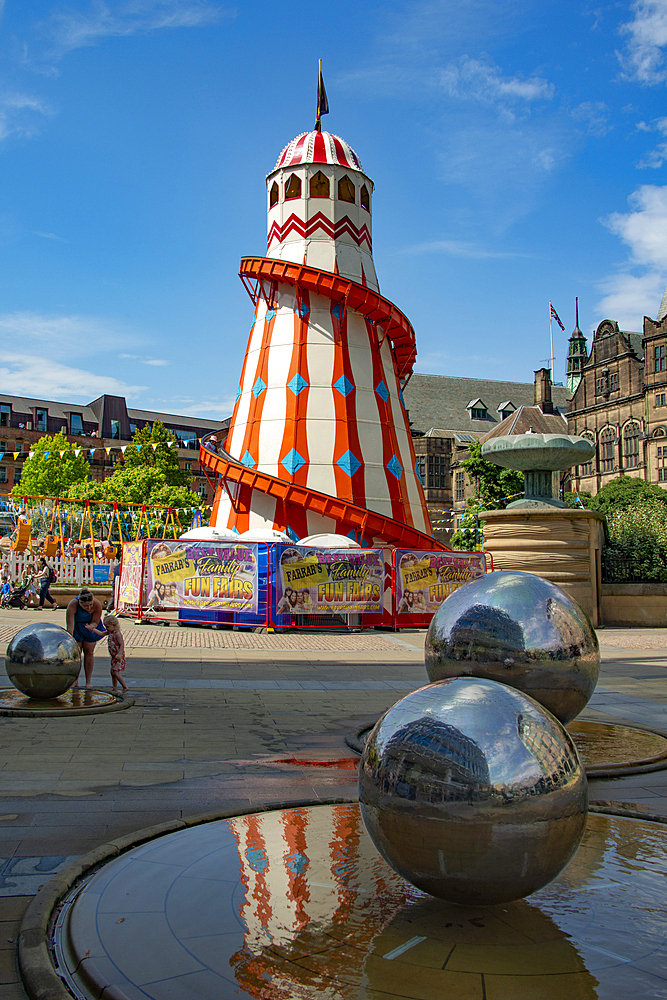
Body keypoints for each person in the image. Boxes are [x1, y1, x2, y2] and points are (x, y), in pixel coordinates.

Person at [66, 588, 106, 689]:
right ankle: (75, 680)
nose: (88, 608)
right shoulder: (72, 605)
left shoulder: (96, 604)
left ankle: (88, 681)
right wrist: (70, 639)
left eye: (90, 605)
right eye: (85, 606)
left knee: (89, 652)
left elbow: (95, 620)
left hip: (90, 628)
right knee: (77, 654)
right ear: (80, 602)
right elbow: (70, 625)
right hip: (77, 627)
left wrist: (92, 626)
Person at [90, 614, 128, 693]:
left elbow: (122, 644)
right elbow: (101, 633)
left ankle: (125, 687)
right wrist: (92, 629)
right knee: (112, 672)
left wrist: (120, 654)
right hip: (114, 656)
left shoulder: (117, 634)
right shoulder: (110, 632)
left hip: (118, 657)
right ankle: (115, 687)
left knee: (115, 672)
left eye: (108, 627)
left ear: (114, 625)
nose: (107, 629)